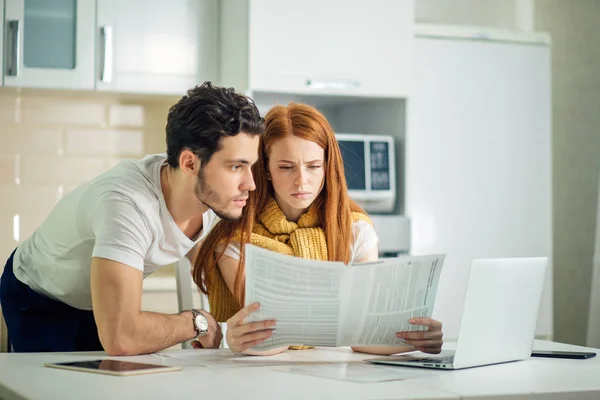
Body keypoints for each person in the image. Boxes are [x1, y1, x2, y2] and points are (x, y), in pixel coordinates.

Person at [0, 82, 265, 355]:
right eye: (236, 167)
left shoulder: (212, 193)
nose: (251, 184)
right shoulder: (128, 206)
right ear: (189, 163)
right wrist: (198, 322)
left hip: (95, 300)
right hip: (40, 294)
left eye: (251, 166)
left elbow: (202, 255)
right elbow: (122, 338)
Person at [193, 103, 443, 355]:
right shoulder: (236, 238)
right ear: (265, 169)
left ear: (327, 166)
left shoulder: (355, 230)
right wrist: (236, 339)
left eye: (313, 166)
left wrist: (413, 339)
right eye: (286, 167)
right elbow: (270, 335)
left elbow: (363, 334)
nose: (302, 180)